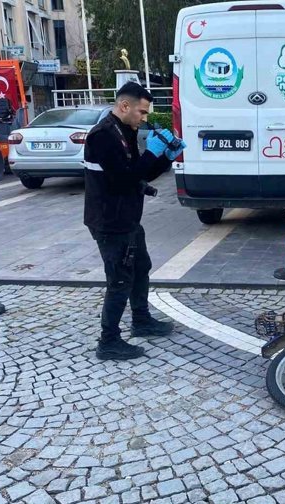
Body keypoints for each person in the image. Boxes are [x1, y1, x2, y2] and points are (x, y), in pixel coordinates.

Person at [84, 82, 185, 359]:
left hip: (127, 217)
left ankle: (141, 320)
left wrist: (166, 157)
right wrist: (152, 152)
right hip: (109, 220)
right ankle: (109, 342)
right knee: (119, 279)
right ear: (124, 106)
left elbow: (140, 175)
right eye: (141, 112)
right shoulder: (103, 136)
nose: (144, 118)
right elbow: (122, 180)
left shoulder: (126, 130)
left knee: (141, 267)